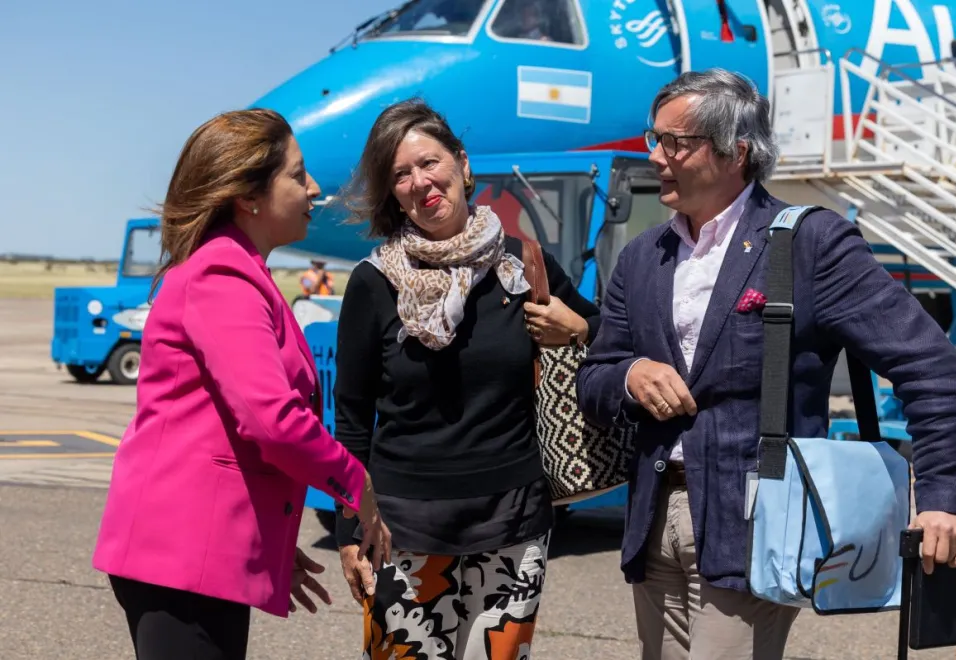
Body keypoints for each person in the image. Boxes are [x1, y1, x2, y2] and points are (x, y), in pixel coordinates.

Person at [575, 68, 956, 659]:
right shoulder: (643, 256)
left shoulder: (810, 243)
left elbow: (928, 362)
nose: (657, 156)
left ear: (735, 151)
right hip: (653, 519)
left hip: (756, 523)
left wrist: (944, 496)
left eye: (676, 142)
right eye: (653, 139)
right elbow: (596, 375)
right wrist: (630, 376)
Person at [91, 108, 391, 660]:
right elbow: (271, 421)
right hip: (179, 558)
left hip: (199, 553)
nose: (314, 188)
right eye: (298, 175)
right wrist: (357, 484)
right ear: (249, 196)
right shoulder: (222, 274)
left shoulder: (241, 271)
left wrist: (265, 538)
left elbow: (221, 431)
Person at [333, 98, 601, 659]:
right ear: (391, 193)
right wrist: (348, 530)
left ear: (462, 163)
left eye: (429, 163)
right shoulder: (373, 282)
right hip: (401, 528)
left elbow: (603, 335)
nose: (419, 182)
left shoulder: (522, 265)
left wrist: (577, 328)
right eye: (400, 174)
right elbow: (353, 417)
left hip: (514, 522)